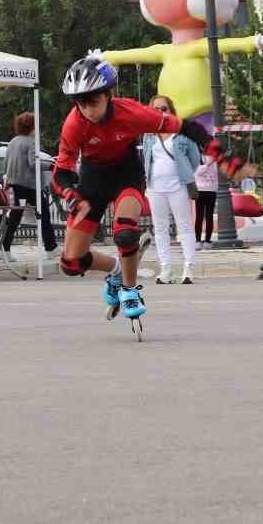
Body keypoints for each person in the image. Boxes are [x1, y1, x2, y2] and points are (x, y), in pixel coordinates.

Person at [52, 51, 231, 332]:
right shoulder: (74, 123)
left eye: (92, 101)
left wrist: (222, 156)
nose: (87, 109)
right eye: (80, 102)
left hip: (126, 175)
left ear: (108, 94)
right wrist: (71, 196)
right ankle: (115, 270)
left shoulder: (132, 112)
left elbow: (187, 127)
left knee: (124, 231)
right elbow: (61, 172)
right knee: (71, 264)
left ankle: (130, 287)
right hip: (93, 180)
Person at [141, 95, 201, 284]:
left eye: (164, 108)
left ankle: (188, 268)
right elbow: (146, 158)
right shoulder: (149, 134)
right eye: (156, 109)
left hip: (178, 186)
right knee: (160, 228)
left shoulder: (181, 132)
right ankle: (166, 269)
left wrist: (185, 175)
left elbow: (195, 158)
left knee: (184, 226)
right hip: (155, 187)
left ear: (171, 111)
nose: (160, 112)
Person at [1, 111, 54, 262]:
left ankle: (4, 248)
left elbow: (5, 164)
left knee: (14, 218)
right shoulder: (31, 142)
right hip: (30, 185)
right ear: (32, 127)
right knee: (44, 214)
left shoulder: (13, 141)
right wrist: (50, 165)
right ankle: (51, 247)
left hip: (14, 183)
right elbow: (33, 163)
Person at [194, 157, 218, 247]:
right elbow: (197, 172)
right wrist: (208, 164)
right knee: (200, 216)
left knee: (208, 216)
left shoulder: (213, 160)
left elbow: (216, 175)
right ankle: (198, 241)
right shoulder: (198, 157)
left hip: (210, 190)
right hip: (201, 190)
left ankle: (207, 241)